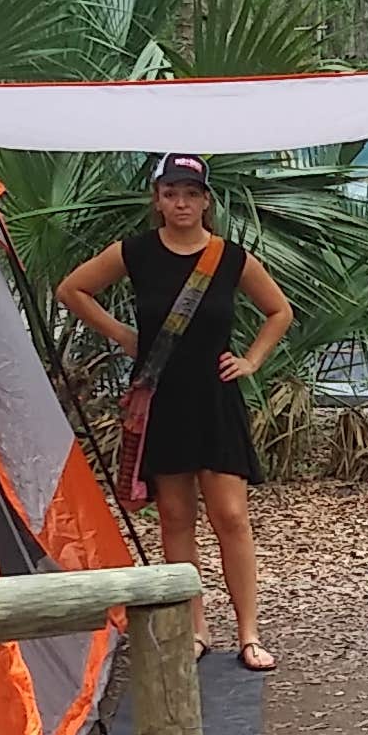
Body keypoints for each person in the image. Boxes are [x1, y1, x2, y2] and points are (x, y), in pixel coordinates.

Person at [57, 156, 292, 668]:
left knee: (231, 516)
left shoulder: (229, 257)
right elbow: (72, 289)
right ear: (157, 199)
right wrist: (121, 334)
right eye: (170, 193)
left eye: (190, 193)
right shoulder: (136, 253)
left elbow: (280, 310)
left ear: (206, 200)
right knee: (175, 516)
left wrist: (251, 360)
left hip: (214, 398)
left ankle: (249, 633)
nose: (181, 203)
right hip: (161, 399)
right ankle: (195, 628)